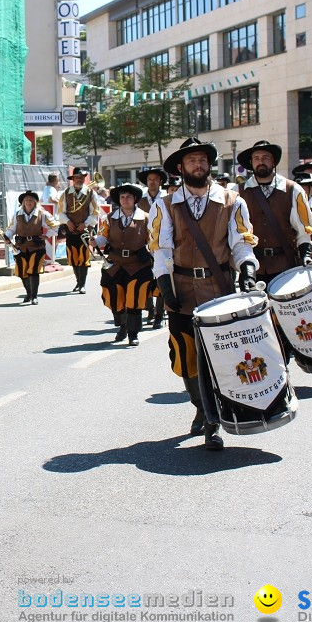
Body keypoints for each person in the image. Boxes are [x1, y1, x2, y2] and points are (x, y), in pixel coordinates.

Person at [149, 138, 258, 451]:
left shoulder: (232, 201)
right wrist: (165, 285)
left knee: (218, 357)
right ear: (181, 168)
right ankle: (200, 405)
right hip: (181, 290)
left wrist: (247, 268)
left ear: (209, 164)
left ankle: (214, 422)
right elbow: (162, 248)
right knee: (185, 358)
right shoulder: (165, 204)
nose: (198, 165)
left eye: (202, 159)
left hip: (218, 289)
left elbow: (241, 242)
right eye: (191, 161)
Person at [236, 141, 312, 285]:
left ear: (273, 161)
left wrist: (306, 254)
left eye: (265, 157)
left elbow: (303, 231)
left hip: (285, 265)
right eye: (256, 158)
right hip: (253, 268)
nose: (261, 162)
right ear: (251, 162)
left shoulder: (293, 190)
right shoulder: (237, 192)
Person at [95, 183, 154, 345]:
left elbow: (153, 240)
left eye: (129, 196)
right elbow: (103, 237)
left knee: (135, 298)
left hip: (138, 265)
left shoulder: (146, 218)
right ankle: (123, 325)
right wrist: (95, 241)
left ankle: (133, 334)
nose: (125, 199)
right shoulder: (109, 218)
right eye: (122, 197)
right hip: (115, 263)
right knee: (114, 297)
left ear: (135, 199)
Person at [4, 189, 56, 305]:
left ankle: (34, 296)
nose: (28, 201)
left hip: (36, 247)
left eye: (31, 200)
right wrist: (7, 236)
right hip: (21, 247)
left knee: (33, 271)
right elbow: (12, 229)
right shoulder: (18, 214)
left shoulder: (42, 214)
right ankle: (28, 293)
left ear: (35, 202)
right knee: (22, 272)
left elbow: (55, 227)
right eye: (26, 200)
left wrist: (46, 236)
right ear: (23, 202)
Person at [56, 166, 100, 294]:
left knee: (83, 257)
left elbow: (95, 213)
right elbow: (60, 212)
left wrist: (85, 224)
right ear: (73, 179)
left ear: (84, 179)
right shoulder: (65, 193)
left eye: (81, 177)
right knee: (73, 257)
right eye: (77, 177)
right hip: (70, 229)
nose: (79, 179)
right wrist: (68, 222)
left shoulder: (91, 194)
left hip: (84, 230)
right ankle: (77, 282)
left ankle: (82, 284)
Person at [137, 167, 168, 329]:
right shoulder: (139, 200)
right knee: (146, 280)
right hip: (144, 246)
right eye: (149, 179)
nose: (152, 182)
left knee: (162, 279)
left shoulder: (168, 199)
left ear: (160, 182)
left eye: (155, 179)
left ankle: (159, 314)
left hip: (163, 245)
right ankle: (149, 308)